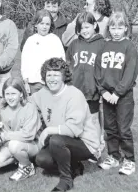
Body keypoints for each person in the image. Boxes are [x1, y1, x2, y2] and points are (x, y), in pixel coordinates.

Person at [32, 58, 101, 192]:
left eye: (56, 75)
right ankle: (74, 166)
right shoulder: (43, 93)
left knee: (55, 140)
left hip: (84, 142)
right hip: (60, 140)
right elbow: (28, 103)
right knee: (41, 160)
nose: (52, 79)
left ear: (64, 76)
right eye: (49, 75)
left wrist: (47, 131)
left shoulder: (74, 95)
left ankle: (66, 180)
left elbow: (73, 129)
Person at [95, 11, 138, 176]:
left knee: (123, 129)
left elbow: (130, 73)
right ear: (109, 28)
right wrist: (103, 91)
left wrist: (118, 93)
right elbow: (97, 70)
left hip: (123, 96)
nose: (116, 31)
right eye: (113, 27)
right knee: (110, 128)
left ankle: (129, 160)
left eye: (120, 27)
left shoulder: (129, 47)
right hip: (107, 95)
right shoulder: (104, 45)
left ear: (126, 29)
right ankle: (114, 156)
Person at [65, 11, 106, 154]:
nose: (84, 30)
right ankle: (80, 147)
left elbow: (105, 69)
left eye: (87, 27)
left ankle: (96, 148)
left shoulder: (102, 44)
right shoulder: (74, 44)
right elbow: (68, 65)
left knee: (93, 121)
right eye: (81, 28)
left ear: (95, 25)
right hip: (76, 90)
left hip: (93, 91)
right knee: (77, 119)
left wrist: (102, 89)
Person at [0, 77, 41, 181]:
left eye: (13, 93)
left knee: (14, 145)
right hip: (13, 143)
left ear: (21, 94)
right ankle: (21, 158)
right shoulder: (3, 108)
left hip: (33, 144)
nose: (10, 97)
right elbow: (4, 131)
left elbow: (28, 135)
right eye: (7, 94)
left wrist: (3, 137)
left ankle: (27, 167)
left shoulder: (29, 107)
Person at [21, 9, 66, 95]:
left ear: (51, 25)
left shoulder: (55, 40)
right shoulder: (31, 40)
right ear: (36, 25)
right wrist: (25, 82)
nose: (44, 27)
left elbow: (62, 60)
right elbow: (25, 62)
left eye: (47, 24)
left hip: (51, 83)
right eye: (41, 24)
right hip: (34, 83)